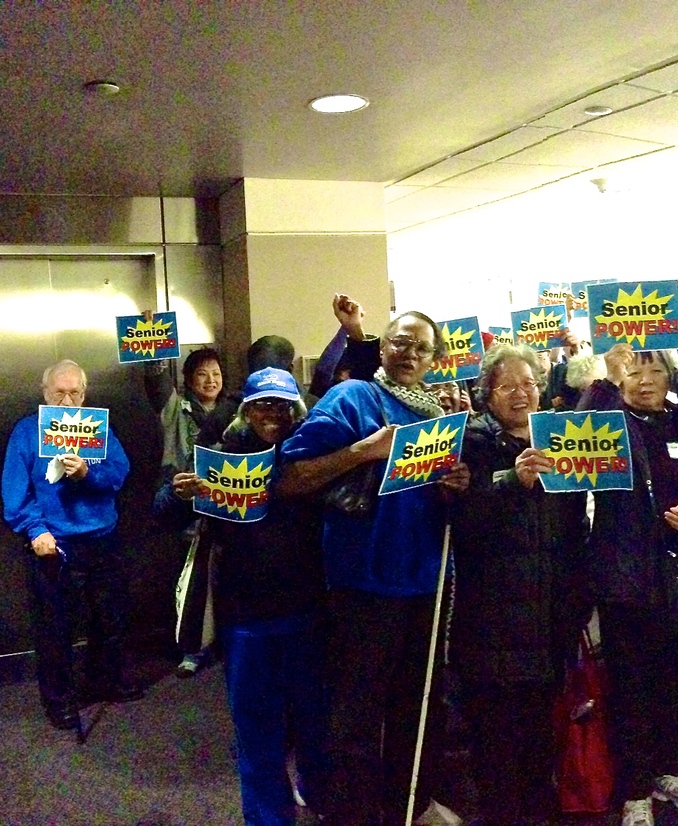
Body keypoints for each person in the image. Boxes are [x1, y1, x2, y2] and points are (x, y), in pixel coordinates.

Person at [275, 310, 473, 826]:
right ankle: (352, 814)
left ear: (436, 360)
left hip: (427, 581)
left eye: (422, 349)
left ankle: (411, 803)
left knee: (420, 704)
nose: (410, 355)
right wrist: (363, 450)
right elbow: (290, 478)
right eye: (400, 343)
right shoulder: (353, 398)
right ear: (382, 346)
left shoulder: (443, 417)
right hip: (363, 584)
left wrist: (458, 482)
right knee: (356, 714)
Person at [165, 366, 330, 825]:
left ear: (296, 410)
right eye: (262, 405)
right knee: (257, 730)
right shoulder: (218, 456)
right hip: (246, 621)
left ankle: (319, 796)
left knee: (317, 725)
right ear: (245, 410)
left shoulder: (310, 456)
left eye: (281, 405)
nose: (271, 414)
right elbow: (161, 515)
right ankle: (267, 818)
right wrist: (179, 494)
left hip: (307, 612)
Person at [578, 344, 678, 826]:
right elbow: (572, 445)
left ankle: (670, 771)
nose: (645, 379)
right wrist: (604, 381)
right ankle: (634, 789)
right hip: (628, 579)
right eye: (634, 371)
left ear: (670, 376)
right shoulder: (609, 424)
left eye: (655, 369)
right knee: (630, 689)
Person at [445, 343, 588, 824]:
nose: (521, 393)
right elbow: (457, 519)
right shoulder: (468, 442)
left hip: (552, 611)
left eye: (529, 383)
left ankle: (539, 800)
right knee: (494, 727)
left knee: (542, 718)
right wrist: (512, 480)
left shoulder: (561, 437)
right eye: (507, 386)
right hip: (492, 617)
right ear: (487, 394)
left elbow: (574, 526)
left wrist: (579, 594)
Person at [7, 359, 138, 732]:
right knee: (55, 630)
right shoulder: (27, 432)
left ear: (84, 394)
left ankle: (106, 681)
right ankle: (60, 700)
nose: (67, 400)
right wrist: (34, 531)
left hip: (102, 538)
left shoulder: (99, 429)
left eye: (74, 392)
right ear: (45, 394)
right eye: (59, 392)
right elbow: (14, 491)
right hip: (55, 544)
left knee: (109, 620)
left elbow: (119, 473)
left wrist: (87, 473)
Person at [162, 346, 237, 679]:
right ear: (190, 379)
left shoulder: (236, 411)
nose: (211, 380)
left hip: (227, 507)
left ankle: (225, 643)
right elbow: (157, 387)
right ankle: (192, 649)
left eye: (216, 373)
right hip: (189, 505)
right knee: (192, 582)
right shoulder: (179, 409)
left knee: (226, 580)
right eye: (202, 374)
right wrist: (154, 354)